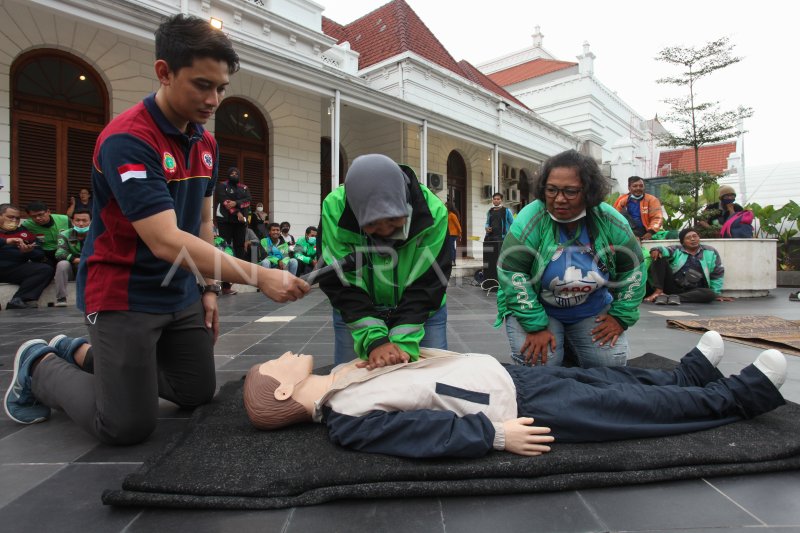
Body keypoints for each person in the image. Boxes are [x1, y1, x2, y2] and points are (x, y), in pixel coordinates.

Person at [3, 14, 308, 442]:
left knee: (197, 393)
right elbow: (165, 239)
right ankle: (38, 364)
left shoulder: (206, 143)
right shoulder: (128, 139)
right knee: (125, 425)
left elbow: (203, 221)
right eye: (202, 85)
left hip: (177, 287)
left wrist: (206, 288)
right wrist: (260, 277)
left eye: (221, 88)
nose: (214, 100)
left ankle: (80, 352)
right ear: (164, 72)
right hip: (123, 291)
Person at [241, 332, 788, 459]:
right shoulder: (345, 416)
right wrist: (492, 435)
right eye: (272, 366)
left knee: (610, 382)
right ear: (285, 388)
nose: (278, 357)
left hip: (506, 376)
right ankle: (742, 396)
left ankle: (688, 375)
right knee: (628, 411)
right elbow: (416, 432)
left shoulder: (343, 376)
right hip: (518, 409)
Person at [496, 149, 646, 369]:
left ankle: (573, 347)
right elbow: (512, 274)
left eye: (570, 191)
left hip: (591, 309)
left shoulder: (609, 219)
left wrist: (620, 317)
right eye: (552, 190)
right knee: (540, 367)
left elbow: (634, 269)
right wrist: (535, 325)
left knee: (610, 365)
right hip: (537, 308)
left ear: (589, 191)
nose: (559, 199)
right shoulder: (530, 218)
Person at [319, 154, 451, 368]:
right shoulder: (334, 210)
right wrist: (374, 341)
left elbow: (428, 284)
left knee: (431, 380)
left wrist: (402, 347)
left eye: (393, 220)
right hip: (357, 312)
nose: (386, 232)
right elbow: (341, 282)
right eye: (372, 225)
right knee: (350, 385)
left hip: (423, 311)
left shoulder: (433, 213)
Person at [644, 227, 733, 305]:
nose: (693, 239)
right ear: (683, 242)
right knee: (659, 257)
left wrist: (716, 294)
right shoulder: (677, 249)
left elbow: (717, 273)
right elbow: (666, 250)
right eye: (688, 238)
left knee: (710, 294)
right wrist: (656, 249)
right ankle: (658, 291)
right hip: (673, 285)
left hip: (693, 290)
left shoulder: (710, 251)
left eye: (695, 236)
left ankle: (673, 297)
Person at [0, 204, 54, 310]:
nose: (14, 220)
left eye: (17, 218)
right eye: (11, 217)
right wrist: (6, 241)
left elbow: (39, 254)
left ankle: (19, 299)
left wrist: (28, 251)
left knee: (45, 269)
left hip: (14, 269)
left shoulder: (24, 233)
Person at [214, 166, 251, 294]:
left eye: (236, 173)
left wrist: (236, 204)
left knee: (240, 248)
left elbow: (248, 201)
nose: (234, 174)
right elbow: (224, 202)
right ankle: (226, 285)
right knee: (225, 249)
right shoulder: (222, 185)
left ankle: (239, 278)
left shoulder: (244, 187)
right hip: (225, 221)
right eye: (232, 173)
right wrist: (237, 212)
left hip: (240, 223)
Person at [53, 208, 91, 307]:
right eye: (78, 220)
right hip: (72, 268)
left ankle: (92, 297)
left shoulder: (96, 235)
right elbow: (59, 253)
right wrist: (75, 259)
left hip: (90, 267)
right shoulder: (64, 234)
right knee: (62, 264)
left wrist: (85, 261)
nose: (81, 224)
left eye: (84, 220)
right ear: (72, 221)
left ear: (91, 221)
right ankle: (61, 298)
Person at [21, 200, 71, 266]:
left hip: (64, 250)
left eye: (40, 214)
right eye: (33, 216)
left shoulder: (64, 219)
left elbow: (74, 236)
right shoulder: (26, 225)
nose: (38, 218)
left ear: (48, 212)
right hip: (44, 254)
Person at [612, 176, 663, 240]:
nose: (638, 188)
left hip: (645, 232)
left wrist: (650, 232)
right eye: (635, 186)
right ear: (629, 188)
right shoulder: (622, 201)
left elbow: (657, 218)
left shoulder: (652, 200)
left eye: (641, 186)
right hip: (627, 232)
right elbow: (615, 218)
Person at [483, 192, 514, 281]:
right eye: (495, 199)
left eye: (498, 199)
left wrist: (510, 234)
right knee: (491, 259)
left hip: (502, 238)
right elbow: (487, 222)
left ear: (501, 200)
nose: (496, 200)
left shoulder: (506, 210)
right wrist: (486, 227)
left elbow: (513, 222)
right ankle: (491, 277)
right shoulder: (490, 211)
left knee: (502, 259)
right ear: (492, 200)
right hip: (491, 238)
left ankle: (503, 278)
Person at [446, 200, 462, 267]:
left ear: (449, 206)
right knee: (451, 247)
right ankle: (451, 261)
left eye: (446, 205)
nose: (445, 206)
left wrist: (460, 233)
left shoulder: (452, 215)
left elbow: (457, 224)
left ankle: (453, 261)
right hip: (449, 233)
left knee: (451, 248)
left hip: (453, 234)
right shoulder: (448, 214)